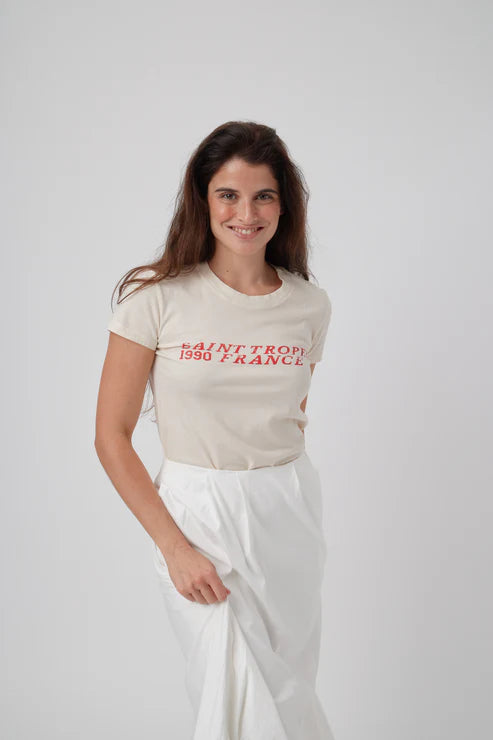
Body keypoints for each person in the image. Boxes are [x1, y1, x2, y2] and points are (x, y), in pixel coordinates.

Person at [95, 120, 335, 739]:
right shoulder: (156, 299)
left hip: (287, 510)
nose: (246, 214)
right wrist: (174, 547)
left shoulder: (309, 305)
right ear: (202, 200)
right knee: (231, 691)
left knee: (287, 691)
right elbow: (111, 436)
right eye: (228, 195)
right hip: (196, 511)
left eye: (263, 196)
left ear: (284, 205)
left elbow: (289, 413)